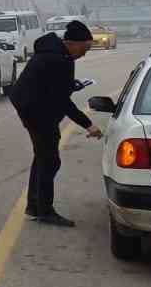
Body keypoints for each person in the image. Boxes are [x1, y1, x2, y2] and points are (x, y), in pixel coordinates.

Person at [9, 19, 102, 226]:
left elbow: (53, 87)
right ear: (73, 43)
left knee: (42, 157)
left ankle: (35, 205)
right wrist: (89, 124)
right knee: (50, 160)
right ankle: (44, 210)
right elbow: (62, 101)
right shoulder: (61, 60)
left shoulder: (51, 53)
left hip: (30, 107)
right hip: (38, 112)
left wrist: (69, 86)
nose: (84, 53)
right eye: (85, 48)